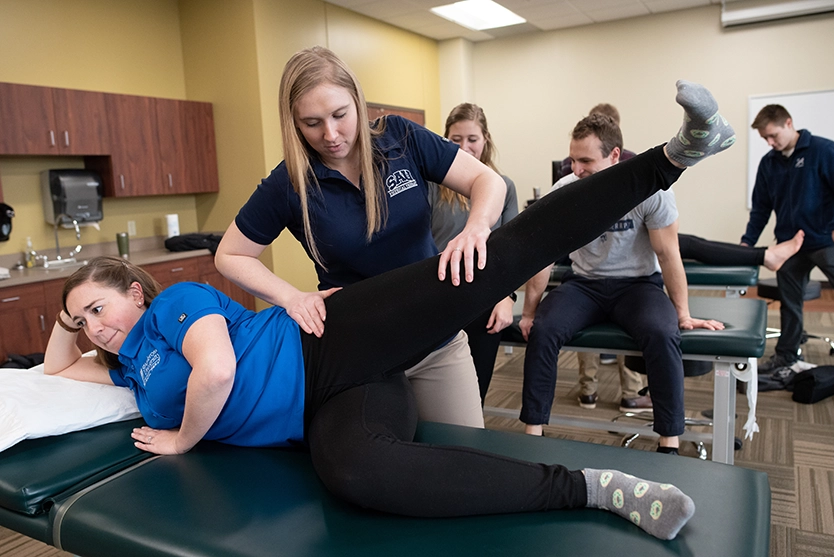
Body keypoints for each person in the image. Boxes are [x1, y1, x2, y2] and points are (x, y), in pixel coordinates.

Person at [43, 79, 735, 540]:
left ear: (136, 290)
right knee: (357, 473)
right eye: (86, 321)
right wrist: (69, 313)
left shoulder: (174, 309)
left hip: (334, 333)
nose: (97, 326)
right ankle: (597, 485)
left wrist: (183, 434)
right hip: (329, 404)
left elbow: (218, 371)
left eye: (100, 306)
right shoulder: (130, 370)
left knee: (498, 256)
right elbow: (53, 368)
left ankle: (671, 158)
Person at [214, 46, 511, 429]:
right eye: (312, 122)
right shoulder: (289, 183)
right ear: (293, 123)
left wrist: (476, 226)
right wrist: (291, 297)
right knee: (387, 470)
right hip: (360, 352)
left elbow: (486, 180)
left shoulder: (400, 138)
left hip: (436, 338)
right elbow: (230, 255)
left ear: (357, 101)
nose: (331, 134)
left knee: (466, 458)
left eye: (340, 115)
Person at [519, 110, 731, 454]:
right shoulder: (566, 191)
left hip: (637, 286)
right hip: (583, 284)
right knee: (544, 330)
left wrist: (683, 313)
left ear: (615, 155)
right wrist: (529, 312)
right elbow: (543, 254)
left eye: (586, 161)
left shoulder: (650, 192)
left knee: (663, 333)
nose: (576, 169)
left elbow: (668, 254)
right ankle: (533, 432)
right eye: (572, 160)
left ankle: (669, 442)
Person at [742, 104, 834, 373]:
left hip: (827, 240)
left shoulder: (823, 150)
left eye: (773, 136)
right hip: (790, 246)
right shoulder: (769, 163)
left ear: (788, 124)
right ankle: (786, 356)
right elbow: (760, 208)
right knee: (790, 305)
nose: (770, 143)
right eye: (764, 139)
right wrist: (747, 243)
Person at [428, 102, 519, 404]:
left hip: (483, 297)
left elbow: (511, 250)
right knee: (432, 394)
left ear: (486, 140)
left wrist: (506, 299)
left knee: (472, 396)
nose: (464, 148)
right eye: (455, 141)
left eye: (472, 140)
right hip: (436, 293)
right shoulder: (431, 185)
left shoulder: (503, 187)